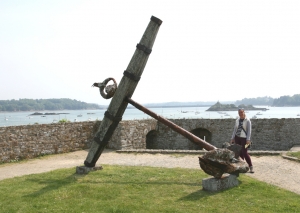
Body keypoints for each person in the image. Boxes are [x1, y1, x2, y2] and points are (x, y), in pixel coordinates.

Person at [230, 108, 254, 173]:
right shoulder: (237, 120)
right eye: (239, 112)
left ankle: (251, 166)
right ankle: (241, 166)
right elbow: (235, 130)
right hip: (237, 138)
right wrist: (232, 138)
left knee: (245, 152)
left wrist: (248, 139)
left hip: (245, 139)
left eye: (241, 112)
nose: (240, 113)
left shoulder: (247, 120)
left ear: (244, 112)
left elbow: (249, 131)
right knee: (240, 152)